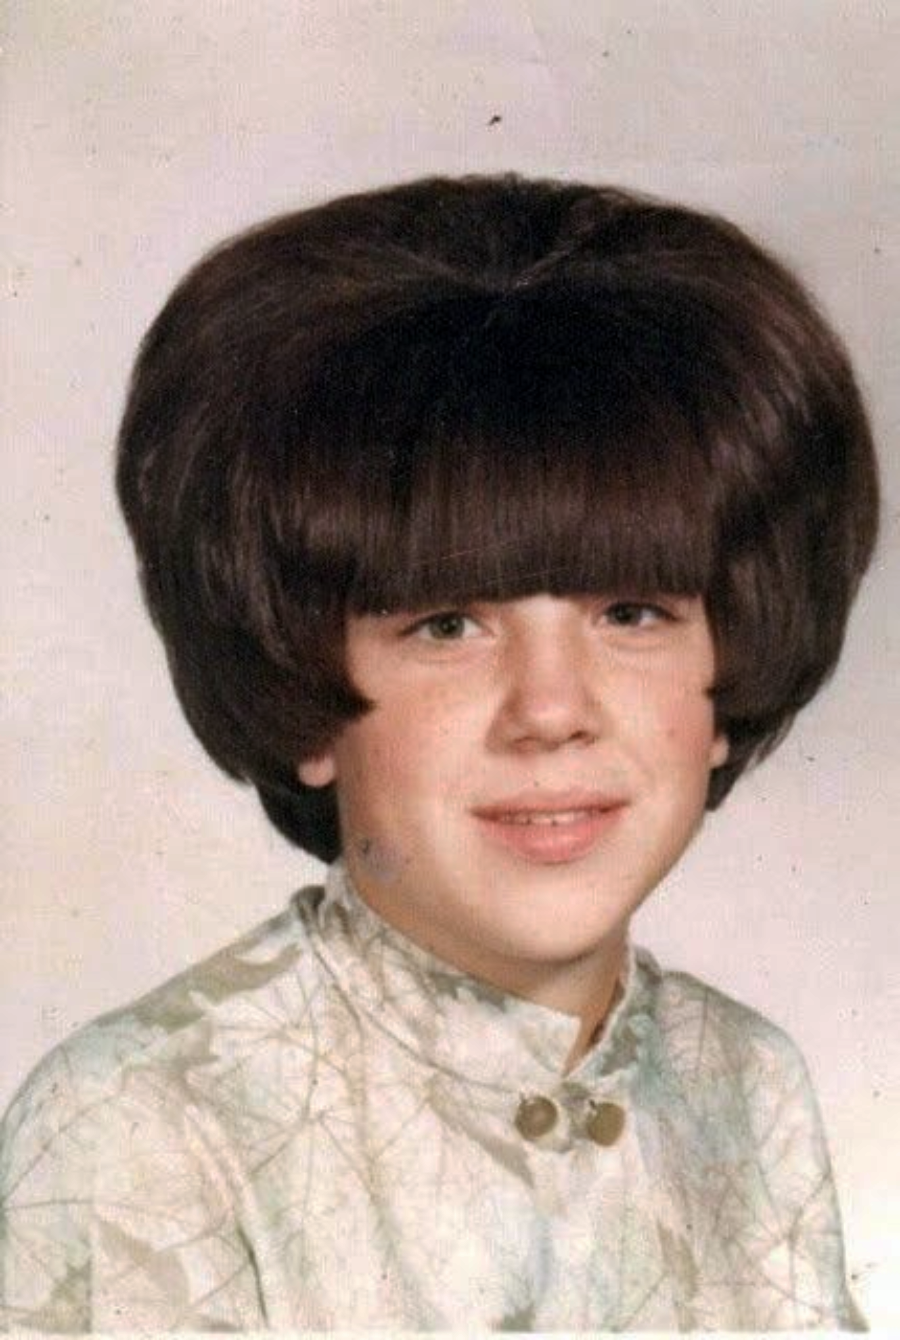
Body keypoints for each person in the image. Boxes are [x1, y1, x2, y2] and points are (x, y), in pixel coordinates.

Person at [0, 174, 878, 1331]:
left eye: (631, 612)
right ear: (303, 691)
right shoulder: (150, 1125)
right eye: (447, 624)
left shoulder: (743, 1083)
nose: (551, 709)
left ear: (728, 680)